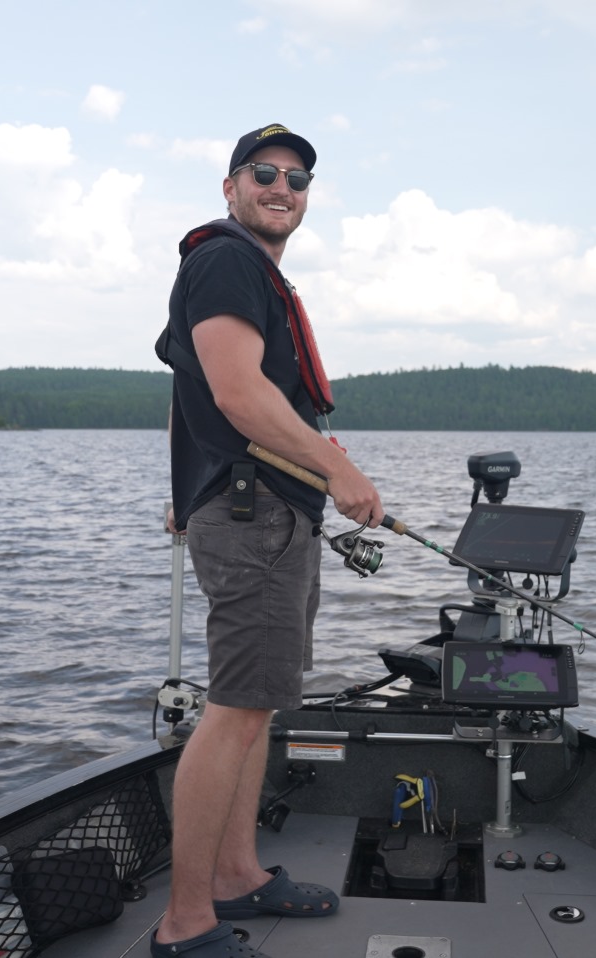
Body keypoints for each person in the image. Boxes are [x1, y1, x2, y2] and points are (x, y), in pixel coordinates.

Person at [152, 124, 384, 958]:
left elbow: (194, 393)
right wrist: (337, 472)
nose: (281, 187)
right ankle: (184, 925)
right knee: (233, 713)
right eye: (264, 173)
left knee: (251, 711)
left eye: (297, 178)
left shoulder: (245, 270)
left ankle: (237, 873)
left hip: (268, 516)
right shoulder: (225, 261)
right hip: (256, 521)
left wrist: (188, 491)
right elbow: (236, 393)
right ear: (230, 186)